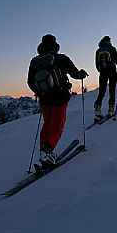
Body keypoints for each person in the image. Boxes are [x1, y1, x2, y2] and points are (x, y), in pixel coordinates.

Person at [27, 34, 88, 168]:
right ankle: (48, 152)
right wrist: (82, 74)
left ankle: (44, 151)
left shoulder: (35, 62)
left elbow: (30, 81)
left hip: (44, 99)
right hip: (60, 96)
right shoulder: (61, 58)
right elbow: (75, 74)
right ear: (55, 45)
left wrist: (40, 92)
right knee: (58, 124)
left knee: (47, 124)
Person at [94, 35, 117, 120]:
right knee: (112, 90)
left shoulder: (98, 50)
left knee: (102, 91)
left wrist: (101, 70)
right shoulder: (112, 48)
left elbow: (97, 64)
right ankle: (111, 109)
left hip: (103, 73)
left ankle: (97, 111)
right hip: (112, 71)